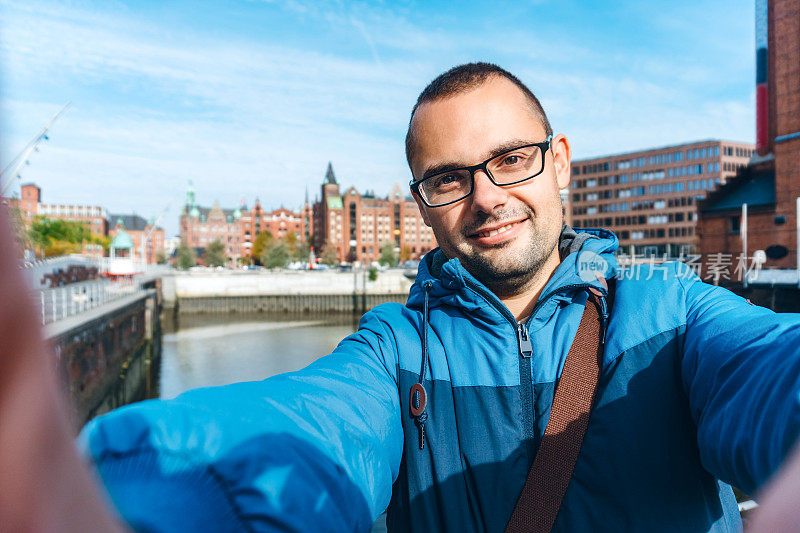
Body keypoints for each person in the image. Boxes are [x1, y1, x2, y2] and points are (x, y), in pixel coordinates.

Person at [2, 62, 800, 532]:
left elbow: (771, 373)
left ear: (560, 162)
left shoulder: (673, 314)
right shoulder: (394, 351)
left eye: (511, 159)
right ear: (422, 200)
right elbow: (308, 429)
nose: (485, 197)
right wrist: (144, 491)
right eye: (449, 177)